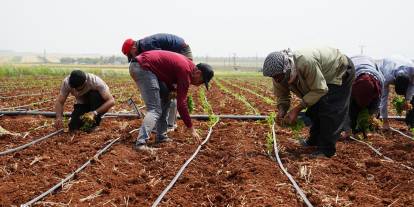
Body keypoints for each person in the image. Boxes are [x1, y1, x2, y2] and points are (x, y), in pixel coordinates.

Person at [263, 47, 355, 158]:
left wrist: (296, 110)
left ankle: (326, 150)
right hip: (321, 79)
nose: (276, 79)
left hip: (339, 70)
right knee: (315, 109)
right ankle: (313, 141)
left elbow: (320, 90)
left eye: (277, 76)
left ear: (286, 69)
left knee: (329, 110)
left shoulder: (305, 63)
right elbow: (283, 96)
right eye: (273, 77)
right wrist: (282, 111)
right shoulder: (279, 75)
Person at [128, 50, 214, 150]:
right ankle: (140, 143)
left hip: (144, 66)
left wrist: (172, 90)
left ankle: (161, 136)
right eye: (202, 81)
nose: (199, 85)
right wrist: (191, 129)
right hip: (142, 67)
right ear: (198, 73)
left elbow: (166, 74)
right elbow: (181, 104)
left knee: (166, 98)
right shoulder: (186, 71)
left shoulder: (188, 67)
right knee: (155, 109)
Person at [122, 33, 193, 131]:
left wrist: (170, 85)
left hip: (182, 51)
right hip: (177, 53)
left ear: (133, 48)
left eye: (130, 55)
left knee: (174, 91)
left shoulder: (146, 45)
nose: (132, 57)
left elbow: (163, 58)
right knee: (167, 91)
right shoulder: (143, 47)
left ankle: (170, 124)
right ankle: (166, 124)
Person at [342, 56, 385, 138]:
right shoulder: (348, 79)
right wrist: (347, 129)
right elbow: (344, 106)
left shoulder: (379, 81)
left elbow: (378, 103)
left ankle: (368, 130)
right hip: (354, 62)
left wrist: (373, 118)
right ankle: (352, 130)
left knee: (371, 111)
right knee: (352, 109)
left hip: (370, 63)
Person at [378, 58, 414, 129]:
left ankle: (411, 123)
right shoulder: (387, 78)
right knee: (378, 96)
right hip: (387, 64)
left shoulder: (412, 72)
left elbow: (412, 86)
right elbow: (383, 98)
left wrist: (407, 100)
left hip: (404, 62)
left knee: (413, 100)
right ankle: (379, 119)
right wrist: (385, 121)